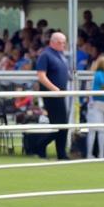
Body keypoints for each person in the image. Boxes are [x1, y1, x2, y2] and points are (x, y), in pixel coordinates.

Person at [35, 31, 70, 160]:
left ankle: (60, 153)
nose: (63, 45)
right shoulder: (45, 55)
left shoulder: (61, 55)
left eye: (64, 43)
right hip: (52, 95)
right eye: (60, 43)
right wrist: (54, 89)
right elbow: (41, 76)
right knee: (61, 125)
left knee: (62, 125)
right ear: (52, 42)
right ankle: (41, 145)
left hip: (61, 94)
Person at [85, 54, 104, 159]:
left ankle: (95, 154)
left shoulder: (98, 74)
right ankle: (96, 154)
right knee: (98, 131)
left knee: (96, 131)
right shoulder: (101, 75)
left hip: (97, 104)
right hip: (97, 104)